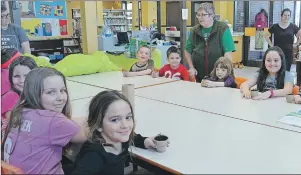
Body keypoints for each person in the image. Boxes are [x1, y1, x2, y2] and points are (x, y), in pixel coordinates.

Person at [2, 67, 87, 174]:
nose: (60, 97)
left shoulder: (20, 111)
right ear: (34, 94)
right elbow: (88, 134)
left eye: (62, 90)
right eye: (51, 92)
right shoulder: (53, 121)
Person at [63, 90, 164, 175]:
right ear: (98, 125)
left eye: (128, 117)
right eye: (115, 120)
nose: (125, 125)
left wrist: (145, 141)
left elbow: (132, 137)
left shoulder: (118, 138)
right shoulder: (94, 157)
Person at [185, 2, 235, 83]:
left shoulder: (222, 29)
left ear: (212, 15)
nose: (200, 18)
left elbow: (228, 53)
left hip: (219, 75)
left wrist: (224, 72)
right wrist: (191, 67)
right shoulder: (194, 30)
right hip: (200, 74)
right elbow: (187, 50)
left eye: (203, 15)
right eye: (198, 15)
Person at [1, 56, 37, 139]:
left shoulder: (36, 94)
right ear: (10, 77)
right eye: (16, 76)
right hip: (15, 142)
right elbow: (16, 125)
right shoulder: (10, 97)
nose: (22, 80)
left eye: (26, 76)